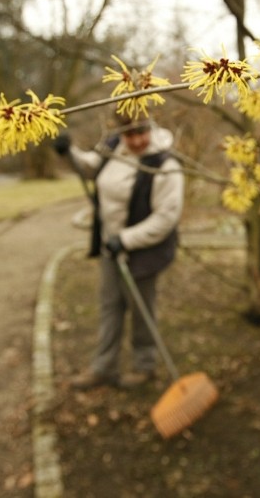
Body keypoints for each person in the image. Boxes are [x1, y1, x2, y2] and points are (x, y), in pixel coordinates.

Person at [53, 117, 184, 389]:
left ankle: (144, 366)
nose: (136, 140)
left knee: (141, 308)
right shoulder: (113, 148)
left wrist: (125, 239)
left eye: (142, 132)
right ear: (120, 132)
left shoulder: (164, 165)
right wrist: (70, 153)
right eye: (129, 134)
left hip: (143, 250)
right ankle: (103, 367)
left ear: (153, 127)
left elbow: (165, 219)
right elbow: (91, 168)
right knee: (109, 307)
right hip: (109, 248)